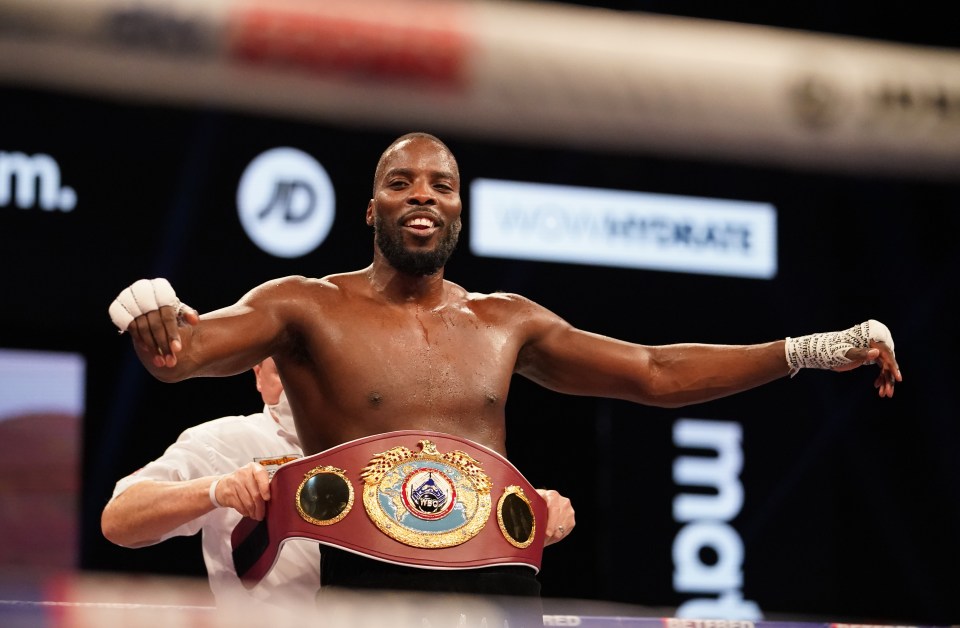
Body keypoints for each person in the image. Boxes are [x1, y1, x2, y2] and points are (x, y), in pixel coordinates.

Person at [108, 131, 900, 623]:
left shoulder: (507, 321)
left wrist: (812, 349)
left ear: (459, 212)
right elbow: (184, 354)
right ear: (371, 208)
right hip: (371, 596)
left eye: (441, 184)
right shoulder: (304, 306)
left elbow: (655, 373)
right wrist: (154, 317)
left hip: (501, 595)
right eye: (400, 182)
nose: (422, 194)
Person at [100, 356, 576, 610]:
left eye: (316, 363)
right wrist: (215, 490)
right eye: (284, 363)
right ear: (259, 378)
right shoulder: (226, 439)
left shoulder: (389, 450)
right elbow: (119, 519)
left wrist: (534, 511)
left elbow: (458, 520)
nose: (303, 377)